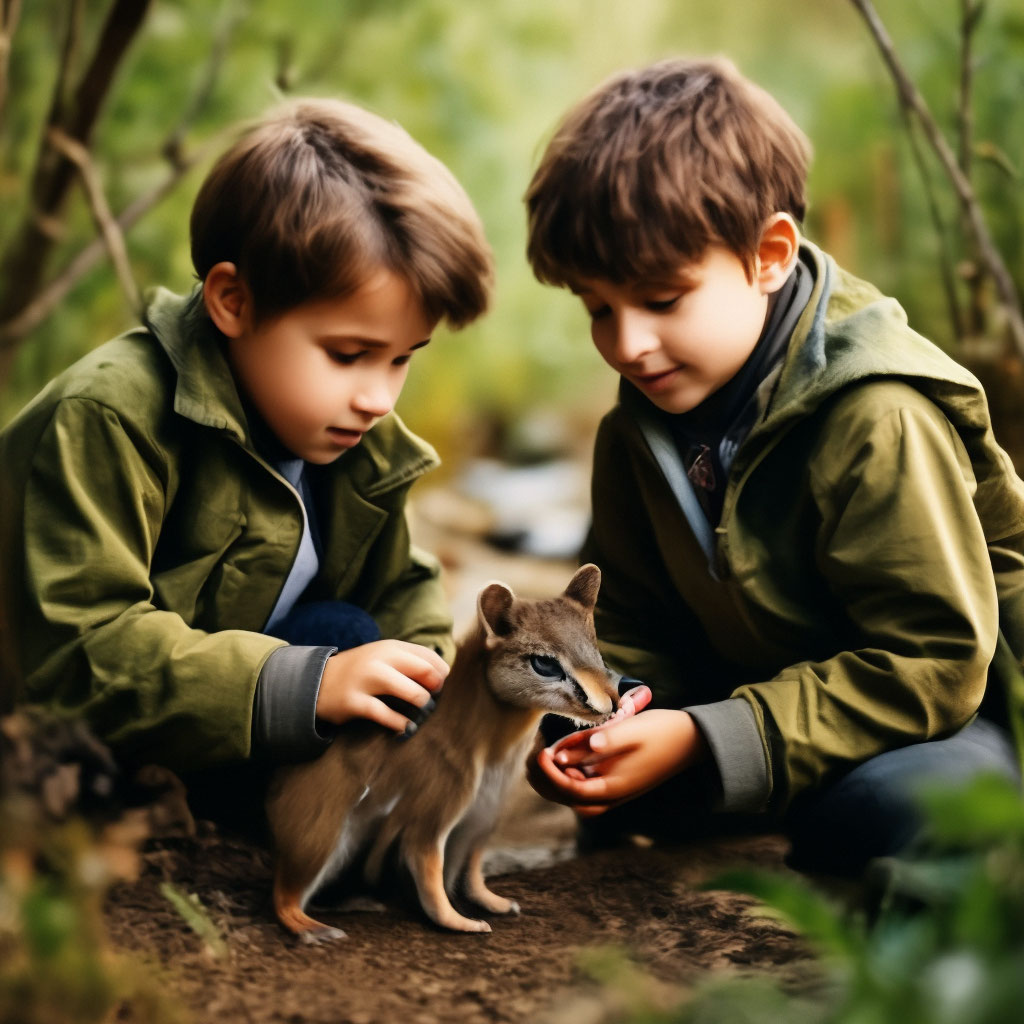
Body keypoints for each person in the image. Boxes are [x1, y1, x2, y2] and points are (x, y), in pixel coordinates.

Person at [523, 57, 1024, 875]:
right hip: (769, 695)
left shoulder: (877, 415)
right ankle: (729, 774)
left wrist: (704, 737)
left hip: (949, 716)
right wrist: (609, 711)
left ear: (769, 256)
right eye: (597, 309)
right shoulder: (641, 425)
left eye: (660, 300)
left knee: (884, 814)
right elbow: (635, 619)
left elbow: (932, 662)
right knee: (567, 734)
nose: (627, 344)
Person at [0, 98, 493, 810]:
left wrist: (435, 689)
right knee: (335, 654)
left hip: (223, 710)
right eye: (349, 354)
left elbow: (399, 591)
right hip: (60, 725)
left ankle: (351, 826)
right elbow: (82, 652)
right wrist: (312, 686)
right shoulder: (109, 414)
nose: (379, 396)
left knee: (362, 643)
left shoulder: (352, 437)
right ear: (233, 300)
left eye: (401, 359)